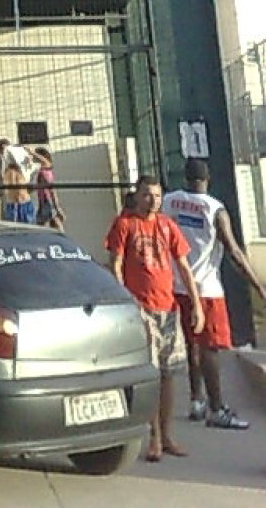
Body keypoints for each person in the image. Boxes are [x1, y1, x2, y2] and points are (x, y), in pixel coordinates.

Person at [162, 157, 265, 430]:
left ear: (185, 177)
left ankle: (196, 400)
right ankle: (217, 408)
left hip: (177, 285)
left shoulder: (169, 202)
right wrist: (259, 287)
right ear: (208, 179)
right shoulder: (215, 209)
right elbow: (233, 252)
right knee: (210, 348)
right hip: (206, 288)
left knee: (192, 344)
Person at [106, 174, 204, 463]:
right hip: (141, 309)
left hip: (168, 308)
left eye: (158, 196)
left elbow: (183, 266)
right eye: (147, 195)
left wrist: (196, 304)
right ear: (137, 195)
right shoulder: (124, 225)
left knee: (168, 374)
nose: (153, 201)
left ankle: (167, 434)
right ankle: (154, 439)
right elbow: (116, 264)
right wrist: (127, 303)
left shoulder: (167, 225)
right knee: (149, 374)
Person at [0, 138, 38, 224]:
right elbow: (1, 188)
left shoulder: (21, 169)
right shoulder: (5, 169)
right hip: (15, 205)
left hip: (23, 204)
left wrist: (30, 155)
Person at [33, 146, 65, 230]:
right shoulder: (44, 171)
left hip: (47, 201)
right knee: (44, 223)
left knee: (49, 223)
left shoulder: (45, 172)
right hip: (43, 201)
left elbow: (52, 190)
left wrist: (57, 207)